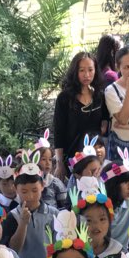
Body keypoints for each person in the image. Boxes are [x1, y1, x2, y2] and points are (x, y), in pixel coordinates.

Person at [52, 51, 108, 180]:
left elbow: (105, 119)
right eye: (82, 70)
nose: (86, 75)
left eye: (90, 70)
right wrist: (59, 163)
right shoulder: (64, 98)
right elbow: (59, 131)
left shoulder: (99, 96)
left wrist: (103, 129)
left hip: (95, 160)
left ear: (96, 71)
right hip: (74, 160)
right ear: (75, 72)